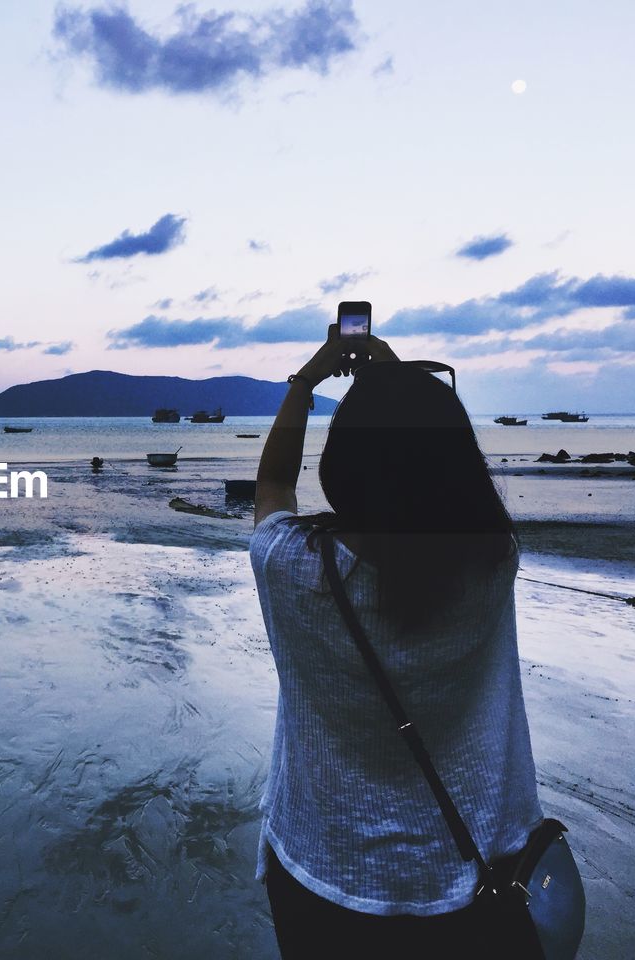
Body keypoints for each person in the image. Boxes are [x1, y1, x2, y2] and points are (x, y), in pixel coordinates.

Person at [250, 326, 544, 957]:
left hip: (327, 872)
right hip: (473, 873)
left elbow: (272, 486)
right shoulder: (494, 561)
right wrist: (395, 379)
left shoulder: (293, 568)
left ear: (342, 467)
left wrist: (305, 382)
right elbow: (439, 486)